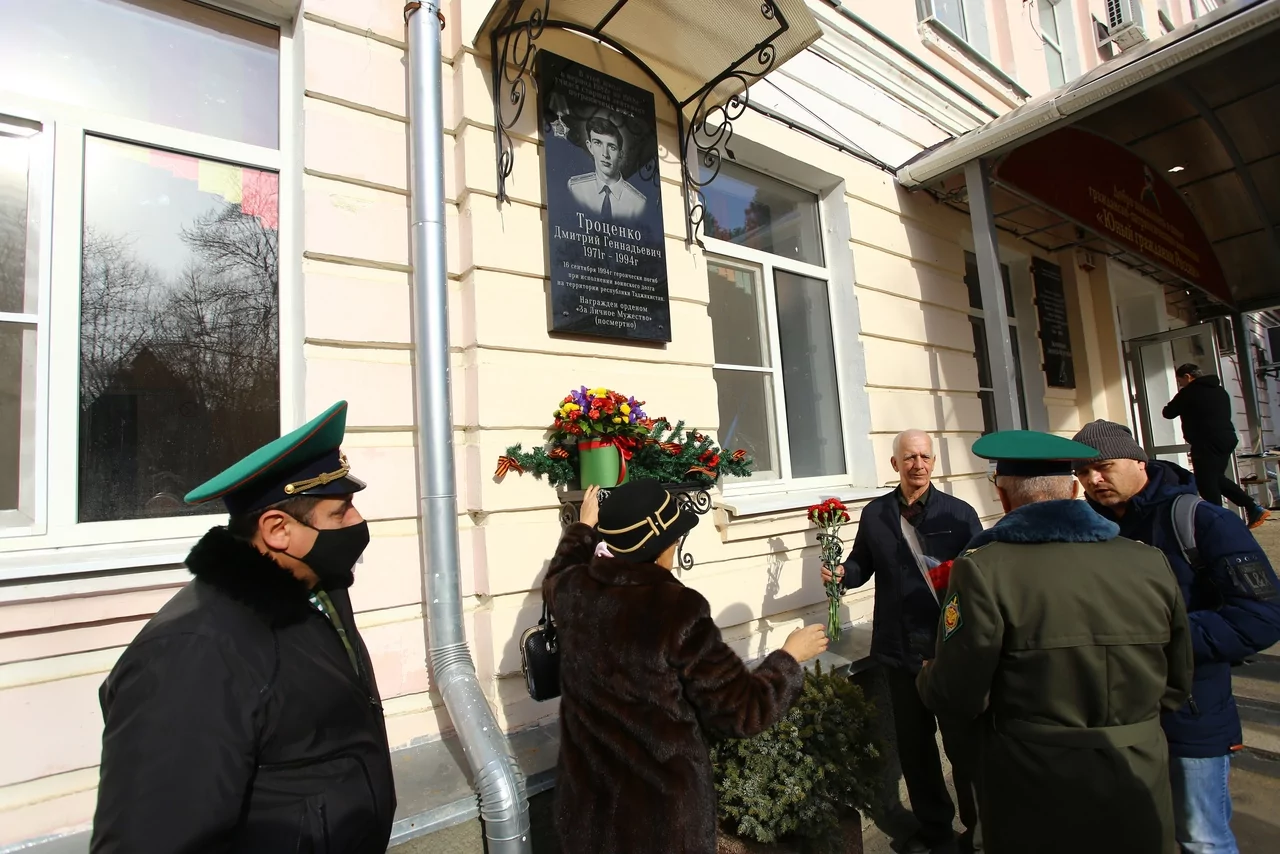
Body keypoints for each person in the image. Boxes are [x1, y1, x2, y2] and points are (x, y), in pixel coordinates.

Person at [90, 401, 396, 853]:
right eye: (341, 512)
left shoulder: (316, 596)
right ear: (277, 530)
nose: (358, 523)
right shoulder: (194, 654)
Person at [918, 429, 1194, 854]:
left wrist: (927, 678)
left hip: (1034, 784)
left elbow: (958, 693)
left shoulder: (983, 570)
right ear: (1072, 488)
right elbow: (1177, 681)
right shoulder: (1148, 560)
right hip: (1139, 773)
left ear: (1004, 497)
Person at [545, 479, 828, 854]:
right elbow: (742, 711)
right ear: (663, 546)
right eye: (675, 537)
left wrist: (583, 527)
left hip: (586, 814)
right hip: (660, 822)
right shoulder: (676, 609)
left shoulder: (572, 591)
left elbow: (561, 568)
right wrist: (790, 658)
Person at [1072, 419, 1280, 854]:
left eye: (1104, 466)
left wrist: (1162, 639)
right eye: (1082, 473)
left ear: (1138, 461)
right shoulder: (1090, 531)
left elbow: (1262, 616)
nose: (1093, 480)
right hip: (1120, 717)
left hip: (1192, 712)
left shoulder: (1203, 520)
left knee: (1201, 837)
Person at [821, 429, 983, 853]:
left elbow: (983, 583)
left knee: (962, 746)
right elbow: (861, 563)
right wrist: (843, 575)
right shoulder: (875, 514)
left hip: (947, 651)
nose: (919, 464)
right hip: (897, 651)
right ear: (895, 464)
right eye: (909, 457)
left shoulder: (960, 515)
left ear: (934, 462)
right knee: (915, 749)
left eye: (925, 456)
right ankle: (935, 830)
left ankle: (979, 832)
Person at [1163, 362, 1270, 527]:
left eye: (1180, 381)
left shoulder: (1189, 392)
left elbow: (1168, 413)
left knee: (1206, 484)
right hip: (1226, 439)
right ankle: (1252, 507)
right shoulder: (1220, 391)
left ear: (1187, 376)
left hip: (1206, 442)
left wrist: (1182, 399)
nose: (1180, 385)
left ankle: (1218, 523)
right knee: (1216, 478)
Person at [568, 115, 647, 222]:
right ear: (590, 147)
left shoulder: (638, 203)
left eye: (612, 147)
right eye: (598, 143)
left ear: (620, 154)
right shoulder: (575, 188)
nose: (605, 154)